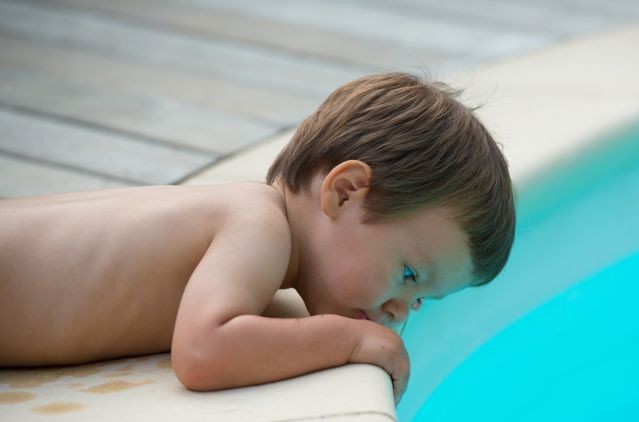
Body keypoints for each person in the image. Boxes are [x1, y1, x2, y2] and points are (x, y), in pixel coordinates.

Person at [0, 72, 515, 405]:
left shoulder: (255, 226)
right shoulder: (258, 227)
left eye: (419, 299)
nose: (399, 311)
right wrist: (352, 339)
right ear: (345, 193)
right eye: (407, 275)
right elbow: (205, 351)